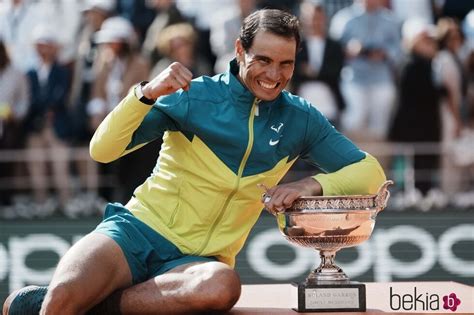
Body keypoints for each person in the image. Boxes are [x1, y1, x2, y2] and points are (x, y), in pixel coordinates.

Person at [3, 9, 386, 315]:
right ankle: (81, 300)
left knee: (223, 287)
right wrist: (147, 93)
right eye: (263, 60)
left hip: (199, 263)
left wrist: (309, 185)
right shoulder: (193, 95)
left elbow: (371, 173)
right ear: (239, 50)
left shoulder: (301, 118)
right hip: (134, 231)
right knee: (61, 301)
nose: (273, 75)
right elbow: (102, 150)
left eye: (285, 64)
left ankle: (99, 305)